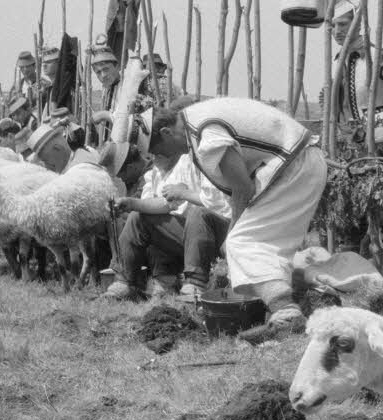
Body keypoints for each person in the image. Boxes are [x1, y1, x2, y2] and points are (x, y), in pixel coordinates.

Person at [140, 96, 327, 340]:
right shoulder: (196, 121)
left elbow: (242, 188)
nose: (159, 157)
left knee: (241, 242)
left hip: (294, 167)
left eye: (157, 151)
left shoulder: (205, 134)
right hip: (299, 164)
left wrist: (231, 233)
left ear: (165, 133)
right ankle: (303, 301)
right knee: (266, 245)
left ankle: (287, 314)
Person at [105, 108, 233, 302]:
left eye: (156, 150)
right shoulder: (164, 170)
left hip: (221, 231)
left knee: (198, 214)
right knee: (138, 217)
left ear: (167, 135)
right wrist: (131, 203)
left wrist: (184, 193)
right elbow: (167, 205)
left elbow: (217, 203)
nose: (154, 156)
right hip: (191, 235)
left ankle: (195, 285)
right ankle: (123, 282)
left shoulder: (204, 151)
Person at [324, 0, 383, 137]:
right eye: (332, 26)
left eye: (342, 24)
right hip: (352, 143)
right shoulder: (336, 63)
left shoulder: (378, 56)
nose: (336, 31)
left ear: (357, 24)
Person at [89, 35, 123, 111]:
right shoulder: (106, 90)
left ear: (117, 67)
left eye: (106, 69)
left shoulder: (127, 89)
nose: (103, 75)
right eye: (98, 72)